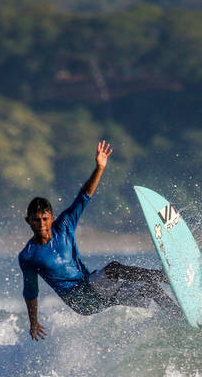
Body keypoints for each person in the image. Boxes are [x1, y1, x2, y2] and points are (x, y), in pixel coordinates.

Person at [18, 140, 179, 340]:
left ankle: (179, 318)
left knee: (149, 289)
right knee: (114, 268)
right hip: (80, 300)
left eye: (45, 218)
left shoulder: (65, 225)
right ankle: (165, 277)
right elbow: (30, 290)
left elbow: (84, 196)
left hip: (95, 288)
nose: (41, 223)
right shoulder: (28, 256)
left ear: (52, 217)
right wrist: (33, 323)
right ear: (28, 221)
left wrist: (99, 168)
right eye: (36, 220)